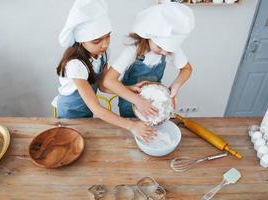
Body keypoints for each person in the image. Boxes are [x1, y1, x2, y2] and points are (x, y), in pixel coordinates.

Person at [53, 0, 156, 141]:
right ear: (82, 41)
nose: (105, 44)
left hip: (87, 110)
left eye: (108, 36)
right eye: (97, 41)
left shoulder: (101, 54)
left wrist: (129, 88)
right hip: (71, 113)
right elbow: (96, 108)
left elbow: (102, 86)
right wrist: (132, 126)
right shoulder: (75, 65)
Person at [102, 2, 195, 118]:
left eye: (169, 50)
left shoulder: (169, 48)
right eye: (160, 47)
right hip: (130, 102)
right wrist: (138, 101)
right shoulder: (133, 50)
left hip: (155, 100)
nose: (165, 53)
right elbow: (108, 81)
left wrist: (174, 88)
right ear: (149, 36)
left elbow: (187, 69)